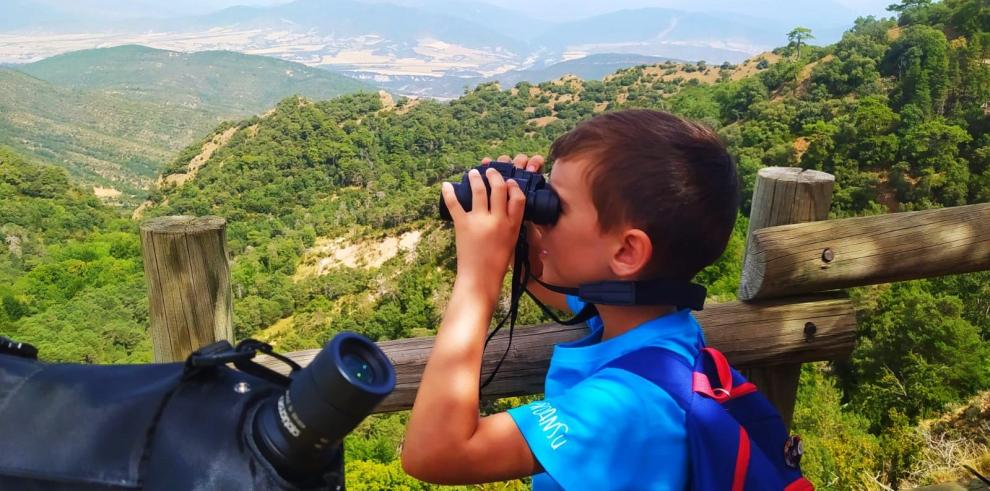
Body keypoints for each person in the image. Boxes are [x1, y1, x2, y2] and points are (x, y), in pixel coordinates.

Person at [401, 109, 739, 490]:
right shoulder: (651, 326)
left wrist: (477, 278)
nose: (544, 217)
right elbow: (554, 285)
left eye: (556, 207)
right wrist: (518, 229)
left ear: (627, 252)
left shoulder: (624, 405)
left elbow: (435, 453)